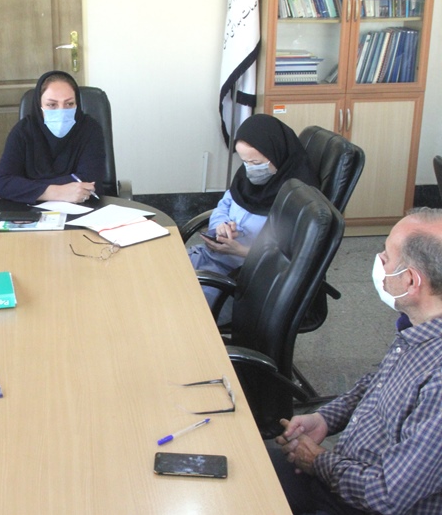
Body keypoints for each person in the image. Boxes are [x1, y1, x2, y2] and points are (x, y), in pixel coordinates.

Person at [271, 207, 442, 514]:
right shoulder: (420, 327)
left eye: (386, 256)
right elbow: (379, 384)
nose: (379, 259)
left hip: (361, 501)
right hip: (344, 473)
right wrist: (326, 418)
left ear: (411, 281)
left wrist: (318, 461)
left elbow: (387, 495)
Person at [188, 114, 318, 310]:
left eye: (256, 163)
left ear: (277, 154)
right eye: (245, 161)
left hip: (246, 277)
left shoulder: (298, 198)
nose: (250, 169)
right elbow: (224, 205)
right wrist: (221, 226)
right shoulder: (246, 177)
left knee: (184, 305)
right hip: (214, 257)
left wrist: (241, 251)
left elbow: (292, 259)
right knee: (160, 273)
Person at [0, 70, 105, 204]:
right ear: (39, 105)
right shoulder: (23, 131)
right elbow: (3, 183)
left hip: (83, 205)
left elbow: (90, 181)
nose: (61, 111)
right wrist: (56, 192)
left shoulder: (90, 128)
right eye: (52, 105)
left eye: (69, 104)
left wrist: (22, 189)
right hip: (29, 210)